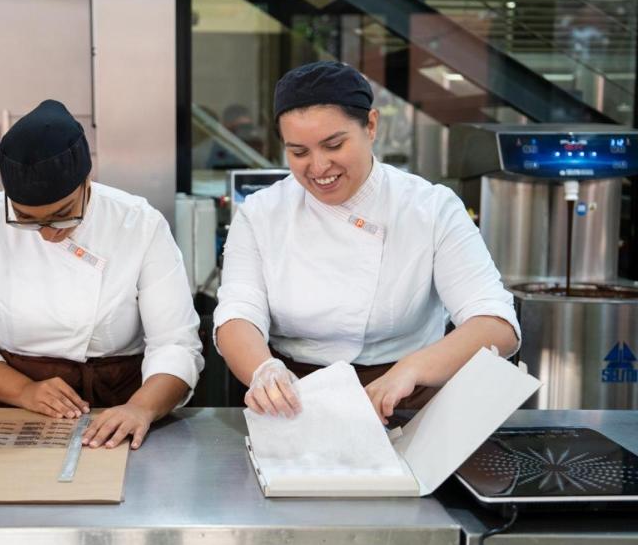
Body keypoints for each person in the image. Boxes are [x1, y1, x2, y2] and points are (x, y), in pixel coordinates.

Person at [213, 61, 520, 423]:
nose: (318, 166)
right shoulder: (262, 213)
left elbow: (497, 324)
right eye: (298, 152)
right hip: (294, 400)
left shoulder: (430, 208)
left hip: (410, 402)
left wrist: (412, 369)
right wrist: (263, 370)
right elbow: (237, 313)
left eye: (334, 144)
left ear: (371, 126)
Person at [0, 99, 203, 449]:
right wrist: (24, 390)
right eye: (27, 219)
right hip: (11, 405)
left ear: (86, 180)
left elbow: (175, 343)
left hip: (120, 406)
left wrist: (141, 408)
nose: (47, 232)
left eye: (63, 213)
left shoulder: (138, 223)